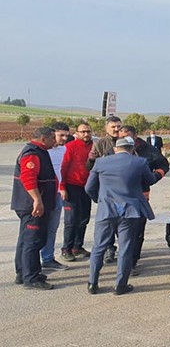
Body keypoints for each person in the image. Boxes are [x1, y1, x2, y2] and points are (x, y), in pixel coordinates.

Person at [85, 136, 160, 295]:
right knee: (125, 247)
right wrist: (159, 173)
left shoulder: (101, 162)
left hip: (106, 210)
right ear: (132, 149)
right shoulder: (139, 162)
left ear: (116, 148)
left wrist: (99, 200)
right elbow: (150, 180)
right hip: (130, 211)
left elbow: (89, 187)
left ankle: (92, 283)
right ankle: (120, 285)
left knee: (99, 247)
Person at [117, 126, 169, 275]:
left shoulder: (148, 150)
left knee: (137, 230)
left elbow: (163, 165)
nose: (124, 140)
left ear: (135, 136)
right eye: (121, 137)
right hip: (118, 198)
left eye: (127, 137)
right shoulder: (116, 149)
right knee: (120, 230)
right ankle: (121, 256)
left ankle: (132, 261)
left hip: (140, 196)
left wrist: (156, 177)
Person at [11, 127, 57, 290]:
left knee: (25, 239)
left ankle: (23, 272)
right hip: (33, 206)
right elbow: (28, 178)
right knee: (33, 240)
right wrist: (37, 200)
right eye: (52, 138)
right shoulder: (32, 153)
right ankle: (31, 278)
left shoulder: (39, 151)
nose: (55, 141)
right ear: (43, 139)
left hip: (32, 204)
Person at [85, 116, 122, 263]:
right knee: (107, 221)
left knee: (124, 221)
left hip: (123, 189)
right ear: (106, 129)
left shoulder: (126, 141)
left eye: (118, 126)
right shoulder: (100, 144)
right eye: (113, 127)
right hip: (106, 189)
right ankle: (109, 248)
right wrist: (91, 160)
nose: (116, 129)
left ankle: (127, 252)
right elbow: (90, 168)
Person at [59, 123, 94, 262]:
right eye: (83, 132)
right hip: (71, 187)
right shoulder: (70, 147)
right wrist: (62, 187)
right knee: (71, 219)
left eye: (88, 131)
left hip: (87, 187)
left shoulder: (94, 147)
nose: (86, 134)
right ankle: (66, 249)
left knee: (84, 218)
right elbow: (63, 167)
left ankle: (77, 246)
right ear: (77, 133)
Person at [41, 122, 71, 271]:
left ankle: (48, 258)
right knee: (38, 229)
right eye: (61, 135)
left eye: (67, 135)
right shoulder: (43, 151)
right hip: (42, 195)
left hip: (57, 194)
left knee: (52, 227)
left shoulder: (65, 149)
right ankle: (31, 262)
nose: (64, 138)